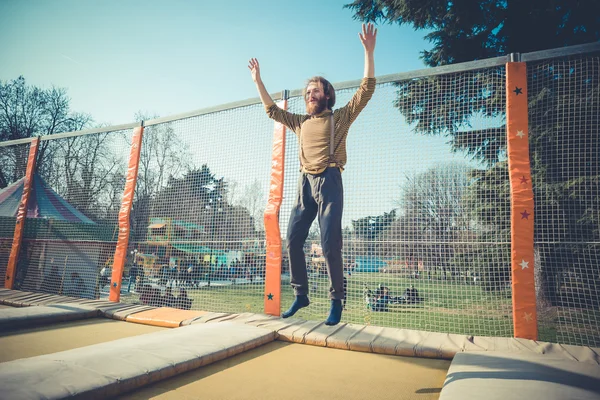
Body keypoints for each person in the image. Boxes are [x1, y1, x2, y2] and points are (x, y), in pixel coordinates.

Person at [248, 23, 377, 325]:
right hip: (304, 184)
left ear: (328, 95)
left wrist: (368, 52)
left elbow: (366, 90)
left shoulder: (340, 117)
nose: (309, 94)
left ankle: (337, 300)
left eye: (315, 90)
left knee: (331, 242)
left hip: (330, 182)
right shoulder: (299, 122)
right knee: (292, 239)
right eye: (307, 91)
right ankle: (301, 294)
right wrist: (258, 80)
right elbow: (271, 111)